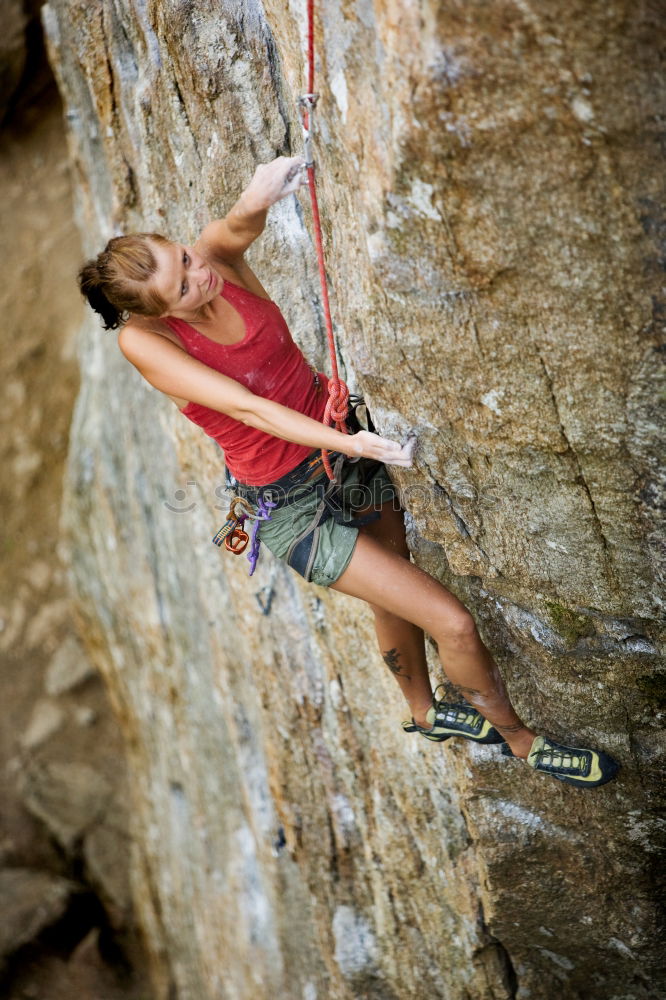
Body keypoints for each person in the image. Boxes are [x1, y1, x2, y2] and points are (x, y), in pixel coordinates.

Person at [78, 155, 618, 789]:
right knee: (454, 623)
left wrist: (263, 188)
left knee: (397, 585)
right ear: (159, 311)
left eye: (185, 258)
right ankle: (523, 742)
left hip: (338, 454)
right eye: (182, 285)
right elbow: (252, 409)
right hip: (293, 505)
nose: (199, 274)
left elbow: (235, 223)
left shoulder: (213, 264)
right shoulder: (148, 343)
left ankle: (425, 712)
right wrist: (355, 444)